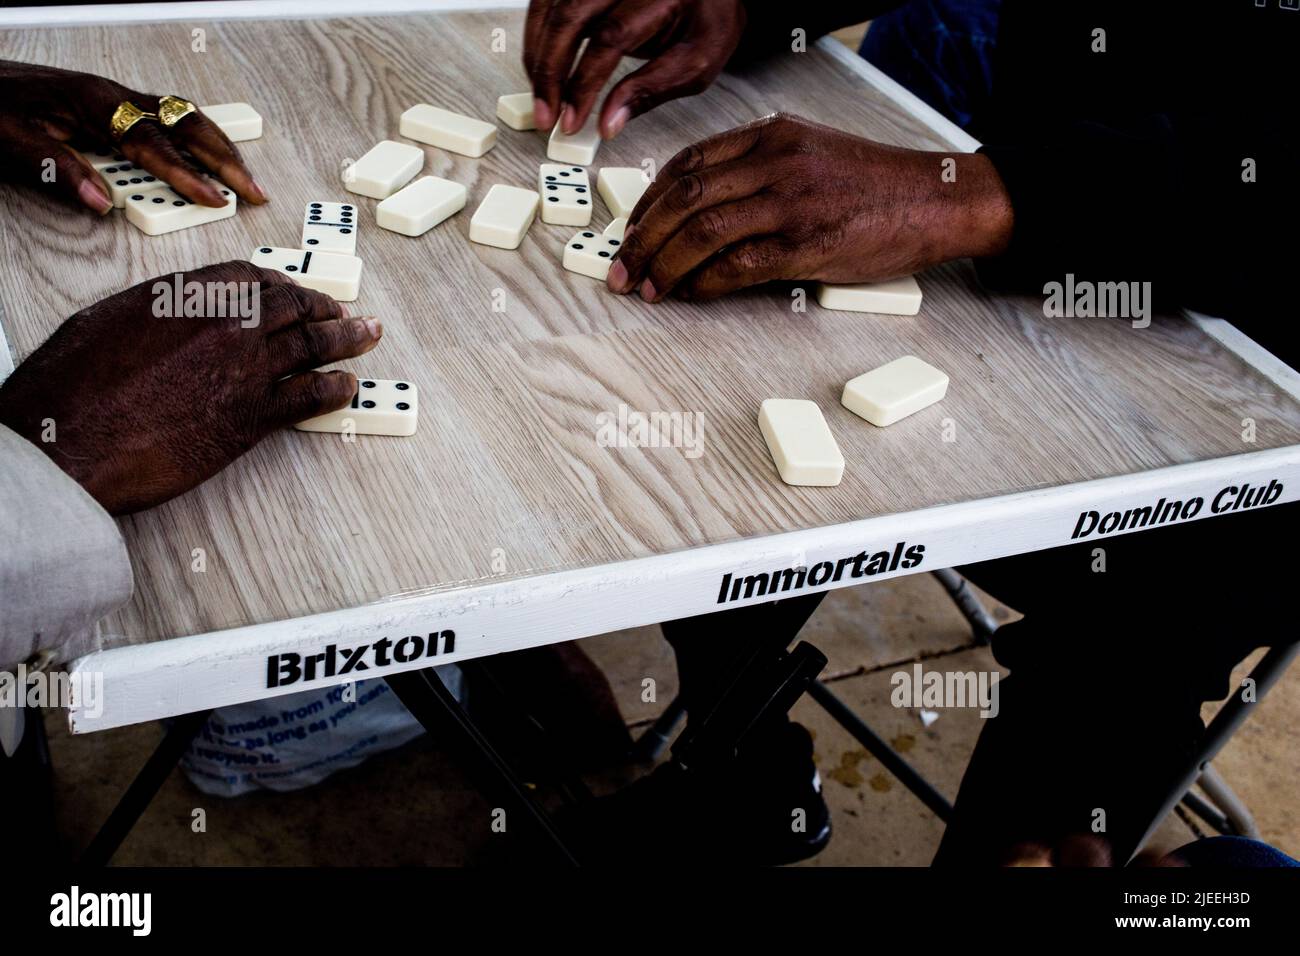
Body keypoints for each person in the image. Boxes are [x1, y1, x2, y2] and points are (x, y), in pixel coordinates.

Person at [522, 0, 1300, 864]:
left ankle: (1046, 831)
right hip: (1030, 210)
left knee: (1136, 617)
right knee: (710, 419)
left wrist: (982, 196)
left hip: (1260, 397)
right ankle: (743, 774)